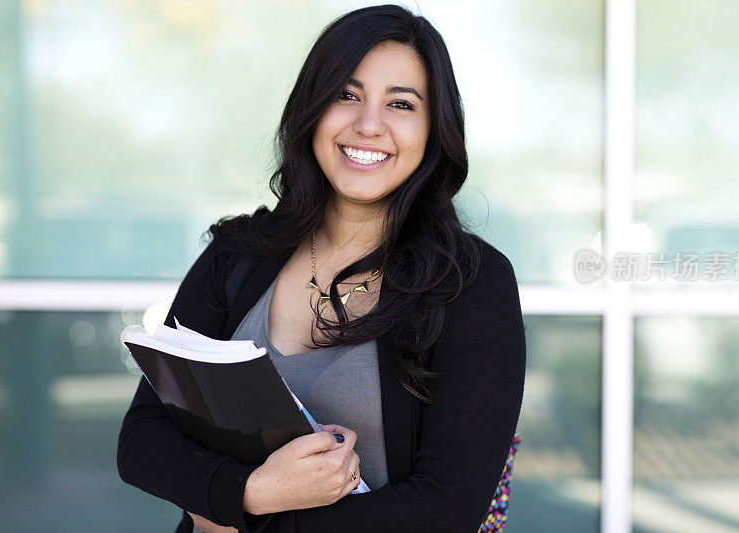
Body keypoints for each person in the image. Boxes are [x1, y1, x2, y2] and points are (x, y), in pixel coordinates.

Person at [116, 4, 525, 532]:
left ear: (433, 130)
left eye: (400, 104)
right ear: (313, 109)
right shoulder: (237, 253)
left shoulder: (471, 284)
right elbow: (143, 440)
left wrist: (240, 514)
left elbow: (446, 509)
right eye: (346, 94)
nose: (368, 124)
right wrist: (253, 492)